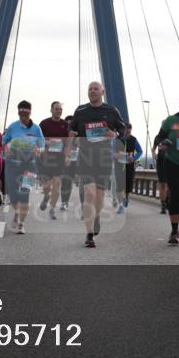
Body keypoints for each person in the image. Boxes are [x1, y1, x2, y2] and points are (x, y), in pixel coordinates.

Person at [68, 81, 125, 248]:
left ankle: (96, 216)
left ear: (102, 92)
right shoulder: (80, 111)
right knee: (90, 193)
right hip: (85, 157)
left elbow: (122, 130)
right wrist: (72, 135)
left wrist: (115, 133)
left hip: (104, 158)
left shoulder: (112, 111)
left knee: (99, 197)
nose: (92, 91)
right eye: (90, 89)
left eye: (95, 89)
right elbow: (72, 129)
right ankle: (89, 234)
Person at [155, 94, 179, 245]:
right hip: (172, 162)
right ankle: (174, 231)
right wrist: (162, 144)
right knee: (176, 194)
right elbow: (159, 137)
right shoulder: (171, 120)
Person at [2, 101, 45, 233]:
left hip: (30, 165)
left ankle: (21, 223)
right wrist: (7, 147)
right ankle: (17, 212)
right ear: (18, 113)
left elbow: (42, 145)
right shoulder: (12, 127)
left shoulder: (36, 129)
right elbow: (4, 141)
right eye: (21, 115)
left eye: (26, 115)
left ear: (30, 113)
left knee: (25, 194)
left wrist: (39, 149)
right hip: (13, 165)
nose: (24, 118)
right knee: (14, 197)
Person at [38, 101, 69, 220]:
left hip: (59, 159)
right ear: (51, 110)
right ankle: (46, 196)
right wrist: (47, 142)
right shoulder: (44, 123)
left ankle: (52, 209)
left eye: (60, 109)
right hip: (46, 159)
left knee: (57, 185)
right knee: (47, 187)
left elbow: (68, 142)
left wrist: (67, 155)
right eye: (56, 109)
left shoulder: (65, 124)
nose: (59, 111)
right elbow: (38, 140)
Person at [116, 123, 143, 214]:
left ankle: (126, 197)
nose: (128, 134)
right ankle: (121, 206)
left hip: (129, 166)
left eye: (129, 132)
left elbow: (140, 151)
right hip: (119, 166)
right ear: (123, 130)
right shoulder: (117, 139)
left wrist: (134, 158)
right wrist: (115, 154)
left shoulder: (134, 140)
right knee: (119, 186)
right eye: (126, 132)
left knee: (127, 186)